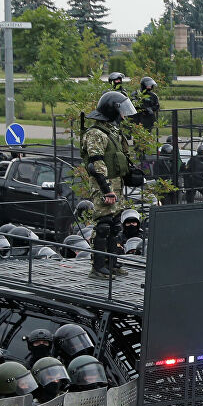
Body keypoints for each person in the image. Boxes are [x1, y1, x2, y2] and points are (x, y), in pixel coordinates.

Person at [82, 91, 140, 279]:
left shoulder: (112, 132)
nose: (124, 115)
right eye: (121, 111)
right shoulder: (96, 133)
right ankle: (98, 267)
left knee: (115, 224)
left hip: (116, 182)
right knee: (103, 225)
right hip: (103, 184)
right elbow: (95, 163)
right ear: (112, 110)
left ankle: (112, 263)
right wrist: (106, 190)